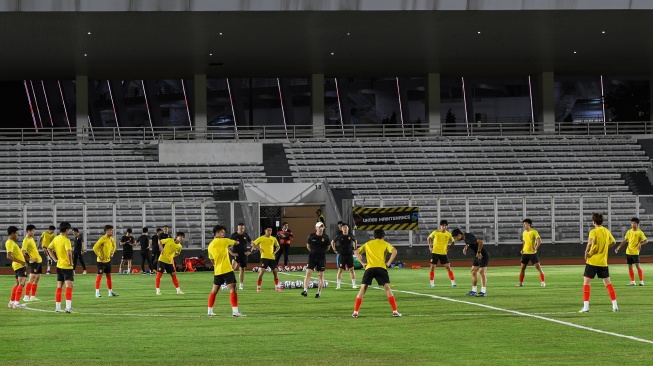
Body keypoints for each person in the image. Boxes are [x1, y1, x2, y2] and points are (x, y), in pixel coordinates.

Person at [352, 229, 400, 318]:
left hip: (369, 268)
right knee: (387, 289)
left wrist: (362, 263)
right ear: (383, 237)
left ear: (374, 237)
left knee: (362, 289)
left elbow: (356, 252)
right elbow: (394, 251)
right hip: (381, 268)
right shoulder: (384, 243)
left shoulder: (368, 243)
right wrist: (389, 263)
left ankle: (355, 312)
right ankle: (395, 311)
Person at [580, 213, 618, 313]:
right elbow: (613, 242)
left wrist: (586, 252)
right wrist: (605, 248)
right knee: (608, 284)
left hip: (592, 261)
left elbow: (590, 242)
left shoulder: (593, 231)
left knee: (586, 283)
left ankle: (586, 307)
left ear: (594, 222)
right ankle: (615, 305)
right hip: (603, 262)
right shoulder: (606, 231)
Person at [207, 224, 243, 317]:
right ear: (217, 232)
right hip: (227, 269)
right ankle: (235, 312)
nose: (223, 234)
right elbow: (236, 243)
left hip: (217, 271)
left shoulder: (210, 245)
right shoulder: (224, 241)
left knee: (214, 291)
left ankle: (209, 311)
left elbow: (211, 260)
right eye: (222, 232)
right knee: (233, 289)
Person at [47, 222, 75, 313]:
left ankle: (58, 308)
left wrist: (55, 259)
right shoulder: (66, 240)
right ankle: (68, 307)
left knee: (59, 286)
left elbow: (49, 248)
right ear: (67, 230)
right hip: (66, 266)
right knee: (69, 286)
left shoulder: (56, 239)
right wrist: (71, 262)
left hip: (59, 265)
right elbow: (69, 253)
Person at [452, 228, 489, 297]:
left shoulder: (467, 237)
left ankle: (483, 291)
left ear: (459, 235)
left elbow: (480, 242)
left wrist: (479, 252)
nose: (455, 239)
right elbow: (471, 242)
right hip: (477, 255)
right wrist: (465, 247)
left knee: (481, 272)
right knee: (473, 271)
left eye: (455, 237)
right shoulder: (466, 237)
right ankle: (474, 291)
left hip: (482, 255)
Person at [615, 217, 648, 286]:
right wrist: (619, 247)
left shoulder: (640, 232)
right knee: (630, 267)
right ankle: (633, 281)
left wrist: (640, 244)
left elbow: (646, 241)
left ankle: (641, 281)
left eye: (635, 223)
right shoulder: (629, 231)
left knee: (638, 266)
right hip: (628, 252)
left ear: (637, 224)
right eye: (632, 223)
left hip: (635, 252)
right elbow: (625, 240)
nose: (633, 224)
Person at [301, 222, 331, 298]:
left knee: (320, 275)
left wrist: (321, 252)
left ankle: (319, 292)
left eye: (322, 227)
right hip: (312, 257)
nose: (320, 228)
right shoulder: (311, 236)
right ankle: (305, 290)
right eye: (319, 227)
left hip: (321, 258)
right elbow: (308, 246)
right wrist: (313, 252)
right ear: (316, 228)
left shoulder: (326, 237)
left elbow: (328, 247)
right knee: (308, 273)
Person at [426, 220, 457, 288]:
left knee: (448, 267)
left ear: (447, 226)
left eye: (445, 226)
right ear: (440, 226)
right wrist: (430, 246)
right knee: (432, 267)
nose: (444, 227)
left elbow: (453, 242)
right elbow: (429, 238)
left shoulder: (448, 234)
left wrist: (448, 248)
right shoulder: (436, 232)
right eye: (443, 226)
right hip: (435, 252)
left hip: (443, 253)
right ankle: (431, 283)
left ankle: (453, 282)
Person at [516, 219, 546, 287]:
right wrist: (522, 249)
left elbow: (539, 240)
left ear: (529, 224)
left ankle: (543, 282)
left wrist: (535, 248)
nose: (524, 225)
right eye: (523, 224)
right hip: (525, 253)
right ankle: (520, 283)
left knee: (538, 267)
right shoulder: (524, 232)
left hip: (532, 253)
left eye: (525, 224)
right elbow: (524, 242)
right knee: (522, 268)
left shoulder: (534, 231)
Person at [251, 226, 281, 292]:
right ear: (265, 231)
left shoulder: (273, 238)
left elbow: (278, 246)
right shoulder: (261, 238)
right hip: (264, 257)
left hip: (272, 257)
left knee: (275, 271)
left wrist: (275, 252)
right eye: (268, 230)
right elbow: (253, 244)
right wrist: (259, 249)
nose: (269, 232)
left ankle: (277, 286)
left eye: (271, 230)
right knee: (262, 271)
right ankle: (258, 287)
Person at [93, 225, 119, 298]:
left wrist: (112, 253)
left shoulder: (111, 239)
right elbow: (95, 247)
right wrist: (99, 255)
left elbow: (114, 247)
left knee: (109, 277)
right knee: (99, 277)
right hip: (101, 262)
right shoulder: (102, 239)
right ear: (107, 231)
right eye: (111, 230)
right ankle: (97, 292)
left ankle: (110, 292)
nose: (112, 231)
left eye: (112, 230)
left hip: (107, 261)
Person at [331, 223, 358, 289]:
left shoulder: (350, 235)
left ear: (348, 228)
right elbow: (332, 242)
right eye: (343, 228)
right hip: (342, 255)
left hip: (349, 255)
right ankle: (338, 285)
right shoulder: (339, 235)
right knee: (340, 270)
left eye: (346, 227)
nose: (345, 229)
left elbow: (355, 240)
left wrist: (355, 249)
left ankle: (354, 284)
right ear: (342, 229)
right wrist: (334, 249)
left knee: (351, 269)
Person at [6, 226, 27, 308]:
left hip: (17, 265)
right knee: (21, 283)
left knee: (17, 284)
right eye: (16, 233)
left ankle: (11, 302)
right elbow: (9, 256)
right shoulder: (10, 242)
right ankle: (16, 303)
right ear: (12, 233)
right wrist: (21, 262)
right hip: (19, 265)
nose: (17, 235)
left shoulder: (10, 242)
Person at [21, 224, 42, 301]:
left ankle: (33, 296)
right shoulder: (26, 240)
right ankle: (26, 296)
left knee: (37, 278)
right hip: (34, 262)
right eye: (33, 231)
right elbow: (22, 252)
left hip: (39, 261)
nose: (34, 232)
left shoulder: (31, 239)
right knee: (32, 278)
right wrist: (30, 258)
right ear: (29, 231)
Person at [229, 223, 252, 290]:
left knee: (242, 270)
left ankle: (241, 285)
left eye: (243, 228)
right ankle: (229, 283)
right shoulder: (234, 235)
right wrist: (231, 253)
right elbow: (227, 246)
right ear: (237, 228)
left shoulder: (246, 235)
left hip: (244, 255)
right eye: (240, 228)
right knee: (232, 268)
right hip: (236, 255)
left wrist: (250, 251)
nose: (242, 230)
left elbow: (252, 243)